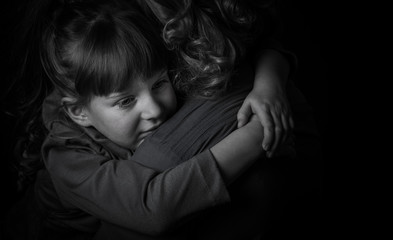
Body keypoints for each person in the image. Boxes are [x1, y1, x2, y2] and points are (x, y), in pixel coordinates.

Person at [3, 0, 293, 239]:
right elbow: (152, 208)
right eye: (126, 101)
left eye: (159, 84)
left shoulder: (136, 80)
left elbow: (258, 45)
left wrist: (269, 85)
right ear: (79, 113)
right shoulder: (67, 159)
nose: (154, 109)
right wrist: (259, 132)